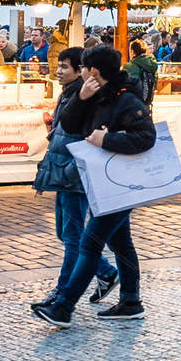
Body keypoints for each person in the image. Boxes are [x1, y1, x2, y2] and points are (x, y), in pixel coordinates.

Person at [30, 47, 158, 327]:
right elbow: (71, 125)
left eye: (84, 67)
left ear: (94, 72)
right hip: (102, 182)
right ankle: (131, 301)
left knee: (89, 244)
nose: (82, 71)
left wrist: (107, 140)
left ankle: (63, 308)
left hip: (121, 184)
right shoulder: (94, 95)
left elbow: (147, 137)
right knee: (120, 242)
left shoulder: (126, 99)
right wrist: (82, 98)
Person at [33, 46, 121, 309]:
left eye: (66, 67)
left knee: (73, 237)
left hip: (73, 175)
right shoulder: (70, 93)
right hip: (63, 172)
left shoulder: (86, 96)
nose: (59, 71)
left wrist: (66, 172)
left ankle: (62, 295)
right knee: (65, 232)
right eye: (58, 66)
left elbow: (77, 134)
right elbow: (60, 136)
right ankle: (106, 273)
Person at [123, 38, 157, 107]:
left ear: (132, 51)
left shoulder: (129, 67)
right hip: (147, 102)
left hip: (133, 105)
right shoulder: (152, 64)